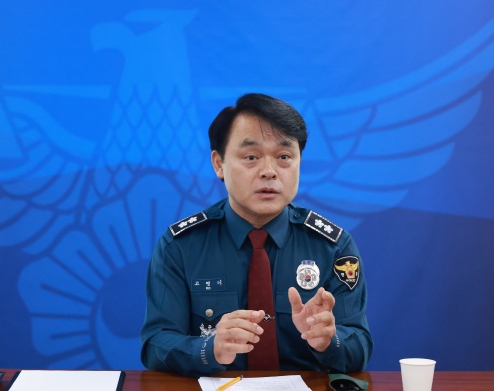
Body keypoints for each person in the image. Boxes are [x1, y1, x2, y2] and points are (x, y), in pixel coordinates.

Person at [140, 93, 373, 376]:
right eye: (251, 157)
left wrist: (328, 341)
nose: (269, 172)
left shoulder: (333, 247)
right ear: (219, 164)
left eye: (284, 157)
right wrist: (209, 349)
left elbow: (359, 347)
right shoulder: (180, 246)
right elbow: (155, 344)